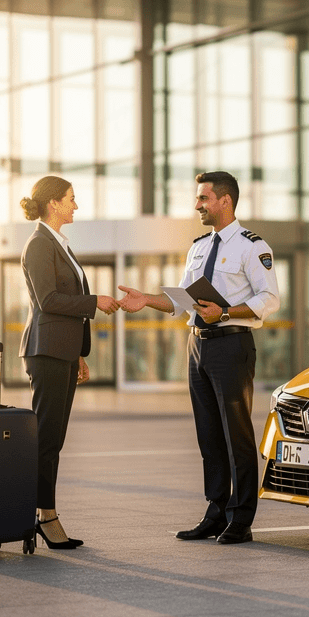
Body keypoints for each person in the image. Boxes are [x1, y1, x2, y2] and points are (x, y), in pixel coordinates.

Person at [118, 171, 280, 545]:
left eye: (203, 198)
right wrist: (147, 299)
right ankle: (216, 511)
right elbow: (183, 302)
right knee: (208, 435)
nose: (197, 206)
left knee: (235, 434)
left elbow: (269, 300)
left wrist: (223, 313)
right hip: (198, 346)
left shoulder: (252, 246)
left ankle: (241, 519)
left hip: (232, 346)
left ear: (225, 200)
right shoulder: (198, 247)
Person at [19, 175, 120, 549]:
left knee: (54, 439)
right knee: (47, 439)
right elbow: (48, 300)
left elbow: (64, 302)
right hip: (45, 352)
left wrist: (78, 352)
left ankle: (42, 513)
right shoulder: (39, 245)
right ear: (53, 204)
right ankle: (45, 516)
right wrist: (95, 303)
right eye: (71, 199)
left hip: (61, 351)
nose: (76, 205)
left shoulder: (58, 244)